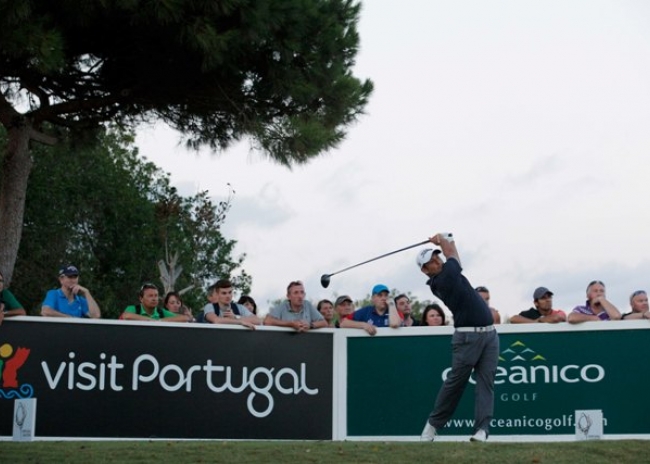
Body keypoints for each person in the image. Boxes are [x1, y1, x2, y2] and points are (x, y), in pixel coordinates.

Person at [417, 233, 499, 443]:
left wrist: (446, 238)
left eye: (437, 256)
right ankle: (432, 425)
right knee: (455, 384)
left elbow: (453, 256)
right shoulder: (442, 280)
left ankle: (482, 430)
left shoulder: (449, 271)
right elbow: (452, 254)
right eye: (431, 261)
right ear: (425, 270)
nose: (437, 261)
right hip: (467, 337)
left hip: (490, 334)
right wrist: (444, 238)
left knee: (486, 383)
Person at [121, 283, 192, 322]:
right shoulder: (133, 309)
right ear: (141, 299)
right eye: (150, 296)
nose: (154, 299)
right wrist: (151, 321)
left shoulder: (161, 312)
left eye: (156, 296)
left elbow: (185, 318)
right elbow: (126, 316)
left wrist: (160, 321)